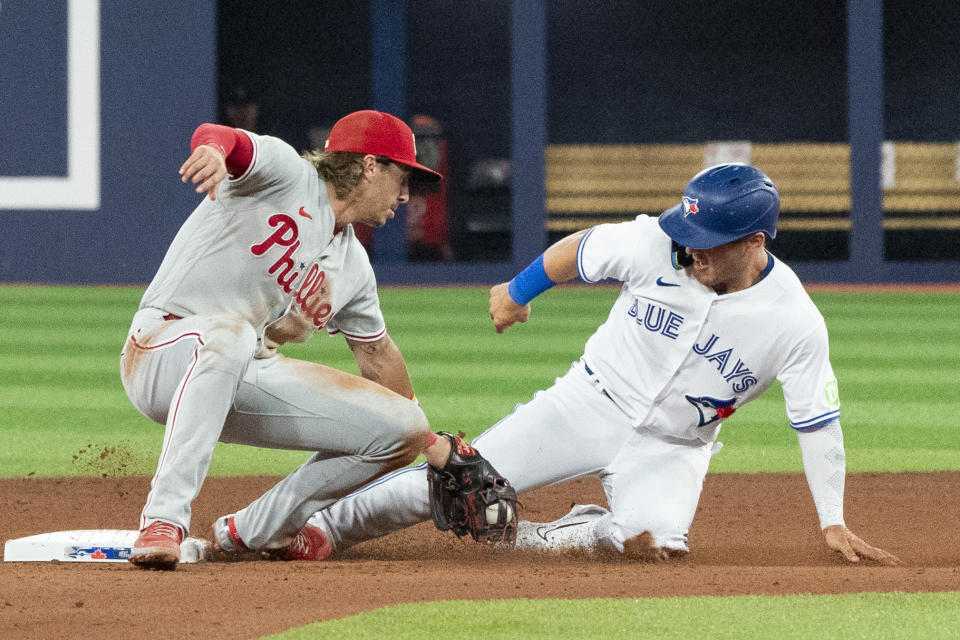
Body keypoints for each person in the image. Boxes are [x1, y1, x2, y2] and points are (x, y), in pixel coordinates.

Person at [303, 163, 901, 565]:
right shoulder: (655, 244)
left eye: (707, 236)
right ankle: (323, 528)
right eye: (687, 228)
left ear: (754, 242)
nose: (690, 245)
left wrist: (832, 519)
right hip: (587, 405)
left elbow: (818, 424)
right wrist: (517, 292)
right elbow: (579, 251)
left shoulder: (796, 323)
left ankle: (574, 529)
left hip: (673, 448)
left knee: (652, 544)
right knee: (456, 478)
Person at [120, 109, 484, 570]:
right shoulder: (287, 175)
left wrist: (429, 442)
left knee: (402, 428)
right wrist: (211, 150)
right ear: (370, 166)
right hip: (162, 350)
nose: (407, 194)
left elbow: (375, 353)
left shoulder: (352, 265)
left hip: (242, 371)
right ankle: (163, 519)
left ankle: (258, 531)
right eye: (403, 176)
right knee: (230, 334)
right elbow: (223, 137)